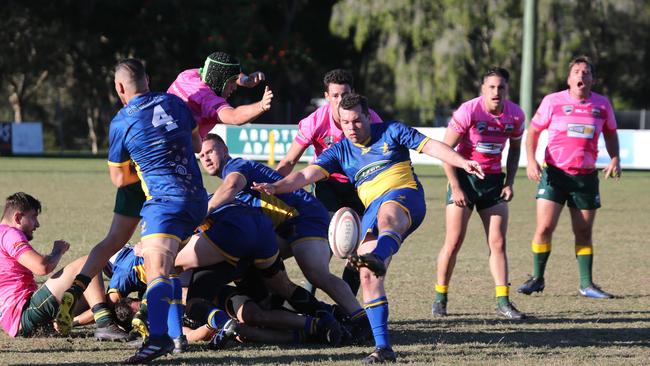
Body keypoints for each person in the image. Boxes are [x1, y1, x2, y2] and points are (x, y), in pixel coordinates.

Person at [253, 93, 484, 363]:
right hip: (372, 208)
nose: (351, 128)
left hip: (404, 194)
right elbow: (306, 175)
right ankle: (383, 348)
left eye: (357, 121)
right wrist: (276, 187)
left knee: (387, 219)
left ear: (367, 116)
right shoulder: (339, 150)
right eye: (345, 122)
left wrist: (462, 162)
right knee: (367, 276)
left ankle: (378, 255)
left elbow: (431, 146)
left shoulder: (392, 131)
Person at [198, 134, 372, 342]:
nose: (206, 158)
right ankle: (324, 314)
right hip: (285, 227)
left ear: (224, 150)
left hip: (303, 217)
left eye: (210, 151)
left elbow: (232, 186)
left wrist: (205, 211)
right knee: (260, 267)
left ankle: (362, 322)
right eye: (201, 155)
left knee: (316, 273)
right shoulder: (230, 172)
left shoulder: (235, 166)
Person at [98, 58, 209, 363]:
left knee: (156, 271)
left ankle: (157, 338)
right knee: (169, 268)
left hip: (165, 202)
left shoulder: (122, 121)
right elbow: (197, 144)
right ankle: (176, 337)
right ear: (147, 80)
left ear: (120, 87)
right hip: (198, 200)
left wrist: (145, 167)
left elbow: (120, 179)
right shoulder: (174, 102)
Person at [517, 56, 621, 299]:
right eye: (577, 71)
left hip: (585, 178)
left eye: (586, 72)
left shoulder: (602, 105)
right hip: (554, 174)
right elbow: (533, 131)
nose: (581, 76)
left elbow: (611, 133)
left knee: (583, 232)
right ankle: (536, 278)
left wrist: (615, 157)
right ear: (569, 78)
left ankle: (586, 285)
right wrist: (531, 161)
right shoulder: (552, 101)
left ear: (592, 79)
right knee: (544, 227)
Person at [276, 68, 382, 296]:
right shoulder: (315, 121)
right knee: (324, 238)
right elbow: (290, 160)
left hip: (360, 185)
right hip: (326, 183)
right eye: (335, 96)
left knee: (359, 242)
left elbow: (382, 155)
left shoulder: (369, 118)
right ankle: (310, 294)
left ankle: (347, 306)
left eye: (345, 95)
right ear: (326, 96)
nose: (340, 100)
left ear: (353, 93)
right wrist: (273, 187)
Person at [432, 68, 527, 320]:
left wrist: (510, 181)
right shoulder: (469, 111)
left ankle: (503, 302)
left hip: (493, 182)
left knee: (498, 242)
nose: (497, 92)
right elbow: (444, 150)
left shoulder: (516, 115)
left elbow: (515, 150)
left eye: (501, 87)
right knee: (453, 242)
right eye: (492, 87)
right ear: (483, 89)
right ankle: (440, 298)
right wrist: (456, 186)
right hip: (463, 178)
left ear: (507, 89)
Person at [0, 192, 126, 340]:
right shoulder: (9, 234)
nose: (37, 224)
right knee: (89, 262)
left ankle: (76, 321)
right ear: (18, 217)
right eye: (33, 216)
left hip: (19, 320)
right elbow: (42, 267)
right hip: (25, 313)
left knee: (102, 300)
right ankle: (105, 325)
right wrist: (57, 251)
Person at [168, 51, 273, 137]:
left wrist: (245, 80)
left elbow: (219, 71)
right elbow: (234, 117)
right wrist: (261, 105)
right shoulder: (208, 100)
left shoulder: (188, 75)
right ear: (219, 80)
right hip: (172, 150)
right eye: (232, 81)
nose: (235, 87)